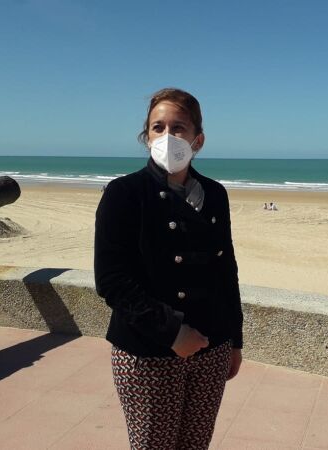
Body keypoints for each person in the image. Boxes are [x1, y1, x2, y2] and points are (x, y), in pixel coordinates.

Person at [94, 88, 244, 449]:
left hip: (212, 347)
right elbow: (112, 280)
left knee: (195, 444)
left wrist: (234, 339)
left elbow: (226, 271)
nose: (167, 136)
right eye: (158, 127)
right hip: (148, 350)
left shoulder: (215, 194)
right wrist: (173, 332)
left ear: (197, 140)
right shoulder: (123, 194)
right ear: (147, 138)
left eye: (178, 128)